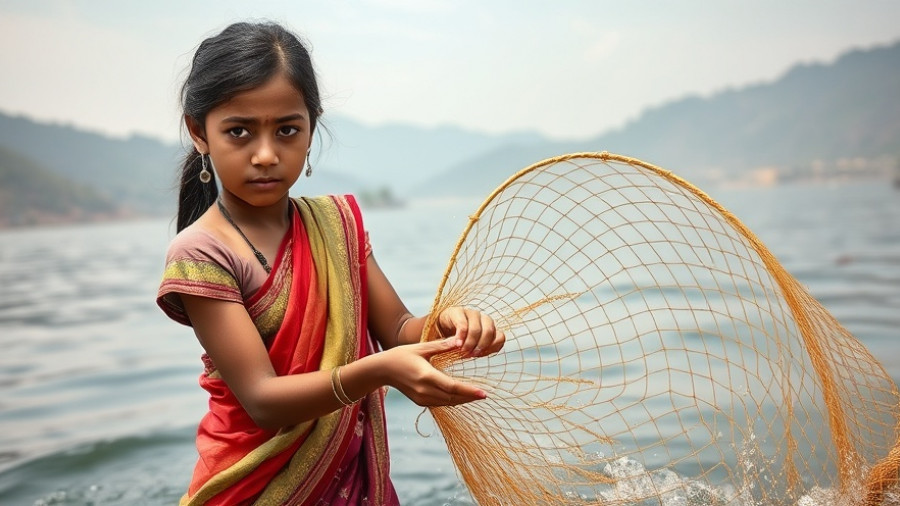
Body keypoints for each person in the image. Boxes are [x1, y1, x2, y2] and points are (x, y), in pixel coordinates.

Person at [156, 21, 505, 506]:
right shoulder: (201, 254)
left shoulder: (335, 225)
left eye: (287, 130)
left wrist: (446, 325)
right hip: (254, 489)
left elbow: (401, 329)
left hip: (354, 487)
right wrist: (378, 371)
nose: (265, 154)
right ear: (199, 132)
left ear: (310, 129)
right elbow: (262, 400)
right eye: (238, 131)